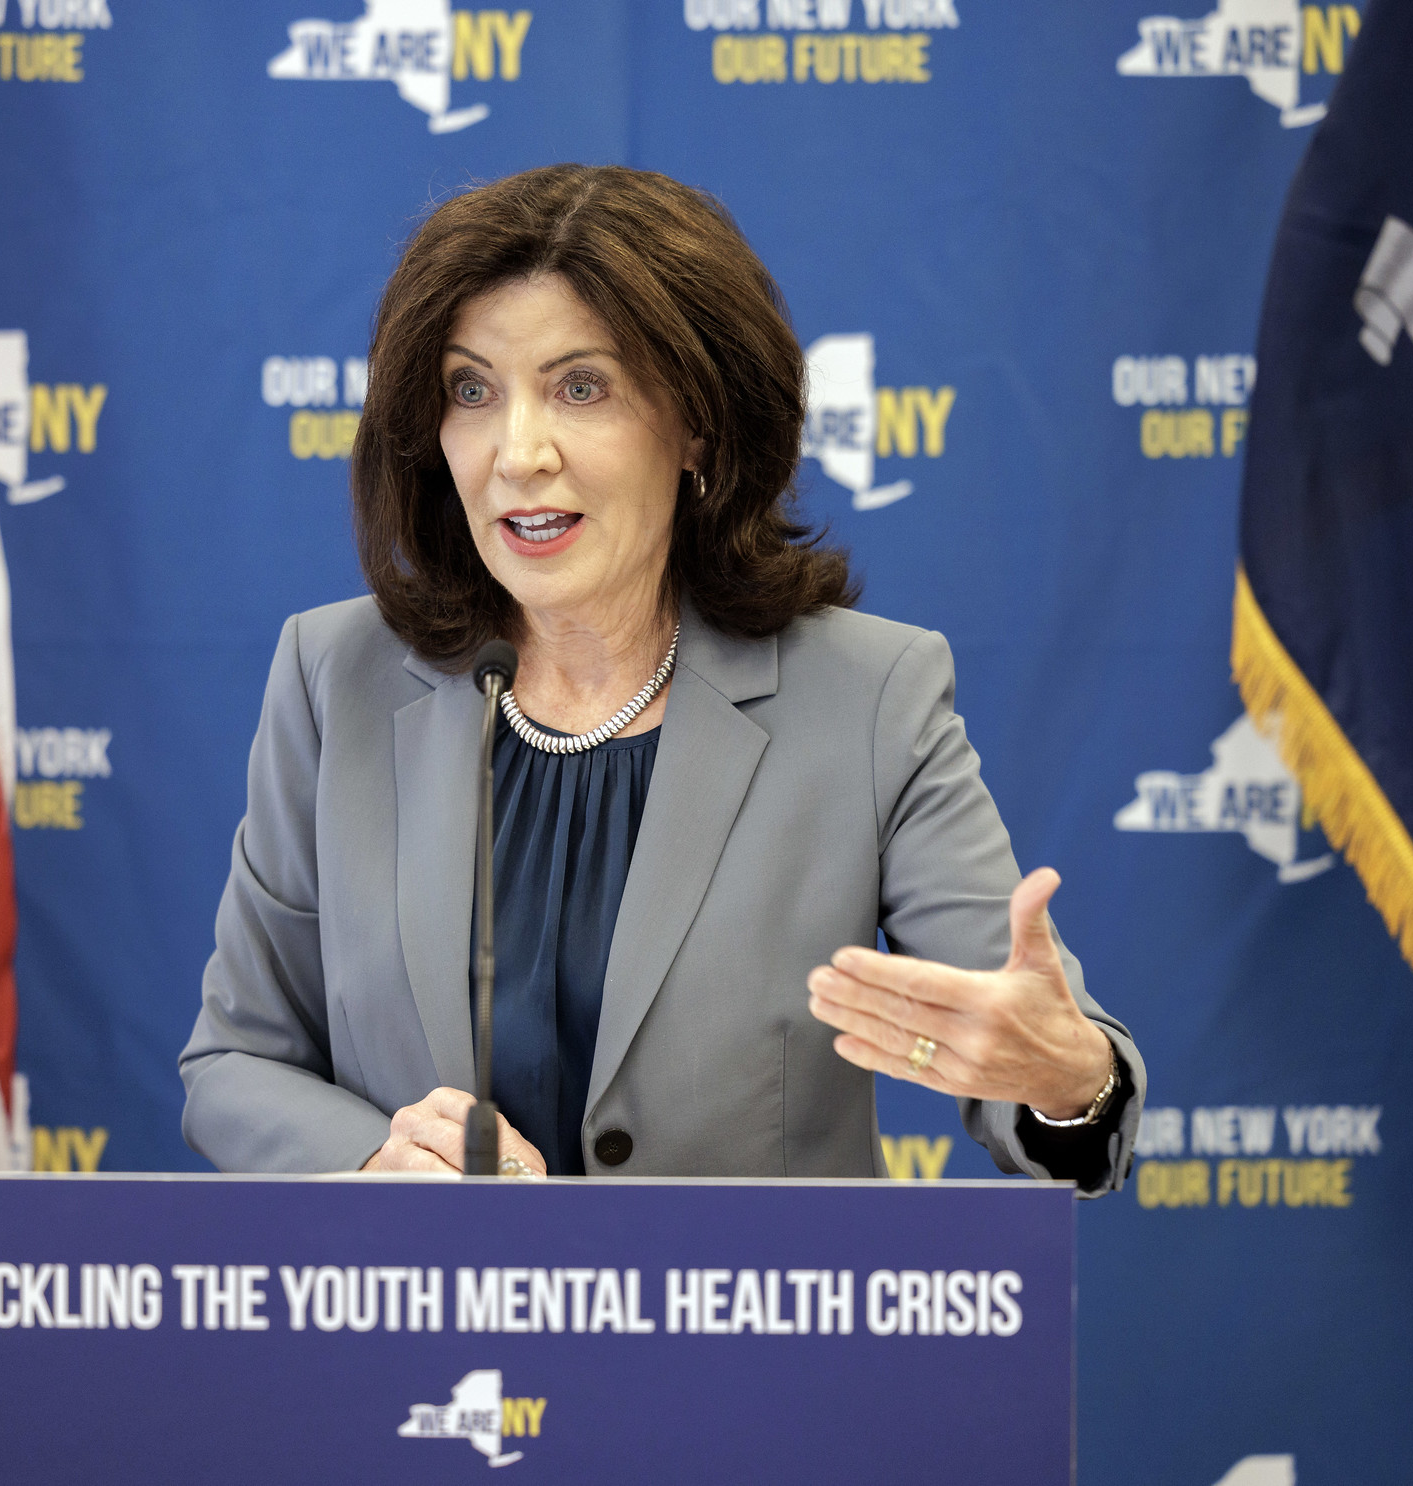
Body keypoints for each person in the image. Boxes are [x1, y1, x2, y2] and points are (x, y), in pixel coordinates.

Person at [179, 164, 1143, 1192]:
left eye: (578, 387)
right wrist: (370, 1154)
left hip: (747, 1339)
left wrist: (1062, 1079)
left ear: (696, 424)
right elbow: (234, 1063)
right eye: (471, 390)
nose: (516, 452)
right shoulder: (335, 678)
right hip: (429, 1336)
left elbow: (1026, 1053)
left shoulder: (870, 698)